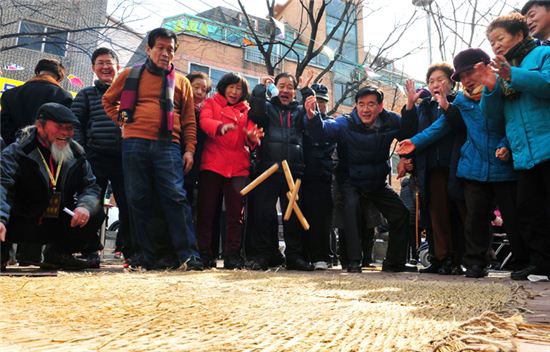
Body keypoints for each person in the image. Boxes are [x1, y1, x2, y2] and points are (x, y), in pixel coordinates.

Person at [398, 48, 525, 278]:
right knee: (474, 218)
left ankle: (522, 260)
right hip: (472, 167)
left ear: (485, 68)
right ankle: (475, 263)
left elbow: (511, 122)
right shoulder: (460, 103)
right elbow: (439, 127)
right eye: (462, 76)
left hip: (501, 165)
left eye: (470, 73)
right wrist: (414, 143)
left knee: (512, 216)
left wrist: (506, 144)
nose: (466, 80)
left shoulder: (503, 92)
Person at [102, 27, 202, 271]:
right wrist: (122, 121)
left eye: (170, 49)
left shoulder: (182, 82)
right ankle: (146, 256)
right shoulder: (129, 74)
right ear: (148, 49)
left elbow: (189, 120)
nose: (166, 53)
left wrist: (189, 149)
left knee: (176, 198)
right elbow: (108, 100)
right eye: (160, 47)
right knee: (138, 199)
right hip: (134, 143)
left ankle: (188, 255)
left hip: (169, 146)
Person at [305, 86, 417, 273]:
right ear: (356, 106)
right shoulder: (345, 123)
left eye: (371, 104)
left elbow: (409, 132)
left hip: (377, 182)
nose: (365, 109)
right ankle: (354, 262)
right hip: (350, 181)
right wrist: (313, 117)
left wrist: (411, 107)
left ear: (380, 107)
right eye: (361, 104)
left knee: (401, 214)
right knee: (351, 209)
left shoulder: (390, 120)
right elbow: (324, 132)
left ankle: (394, 263)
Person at [474, 13, 550, 280]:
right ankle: (542, 265)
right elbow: (493, 116)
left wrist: (512, 73)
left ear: (519, 35)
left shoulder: (543, 55)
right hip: (523, 153)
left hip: (547, 144)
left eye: (500, 38)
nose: (495, 45)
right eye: (491, 42)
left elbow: (547, 85)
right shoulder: (501, 71)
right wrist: (492, 86)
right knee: (529, 211)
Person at [0, 103, 103, 272]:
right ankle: (2, 253)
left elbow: (91, 186)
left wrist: (84, 207)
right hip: (20, 220)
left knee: (95, 211)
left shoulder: (77, 154)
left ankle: (59, 254)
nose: (65, 133)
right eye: (60, 127)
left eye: (70, 128)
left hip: (58, 221)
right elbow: (2, 184)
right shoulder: (16, 152)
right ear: (40, 126)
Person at [1, 58, 73, 267]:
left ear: (36, 71)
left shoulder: (10, 95)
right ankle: (30, 256)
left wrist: (20, 145)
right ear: (59, 76)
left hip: (14, 157)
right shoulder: (63, 96)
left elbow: (4, 128)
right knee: (40, 204)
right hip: (46, 160)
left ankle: (3, 253)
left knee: (10, 201)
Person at [400, 64, 466, 275]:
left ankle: (458, 259)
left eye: (440, 79)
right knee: (434, 214)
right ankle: (440, 257)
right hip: (430, 168)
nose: (436, 84)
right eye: (431, 81)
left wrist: (445, 104)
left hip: (456, 165)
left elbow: (458, 126)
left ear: (452, 81)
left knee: (457, 213)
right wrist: (410, 105)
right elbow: (408, 134)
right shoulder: (424, 107)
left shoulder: (459, 102)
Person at [245, 72, 313, 271]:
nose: (285, 90)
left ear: (294, 91)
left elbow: (313, 124)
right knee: (264, 213)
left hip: (294, 170)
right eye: (281, 86)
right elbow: (254, 114)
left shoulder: (300, 111)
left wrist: (307, 91)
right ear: (276, 89)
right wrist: (260, 89)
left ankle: (294, 256)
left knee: (292, 215)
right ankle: (265, 255)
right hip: (268, 168)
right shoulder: (267, 107)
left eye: (290, 87)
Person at [71, 47, 132, 268]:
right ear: (93, 68)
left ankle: (130, 252)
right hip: (95, 156)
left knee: (129, 204)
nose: (106, 67)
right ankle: (90, 250)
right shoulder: (86, 94)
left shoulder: (130, 94)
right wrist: (81, 153)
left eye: (109, 62)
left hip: (126, 157)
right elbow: (76, 125)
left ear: (118, 67)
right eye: (100, 63)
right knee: (92, 203)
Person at [197, 72, 263, 270]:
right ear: (223, 87)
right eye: (231, 87)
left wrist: (253, 136)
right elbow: (204, 121)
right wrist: (220, 126)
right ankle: (205, 253)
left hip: (238, 167)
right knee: (207, 211)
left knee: (236, 214)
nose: (235, 92)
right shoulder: (211, 103)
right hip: (212, 163)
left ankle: (232, 255)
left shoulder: (247, 110)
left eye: (239, 89)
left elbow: (252, 134)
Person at [301, 83, 336, 270]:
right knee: (301, 216)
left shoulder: (331, 123)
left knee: (322, 219)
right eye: (315, 100)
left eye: (322, 101)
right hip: (301, 174)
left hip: (323, 176)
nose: (319, 104)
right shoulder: (300, 120)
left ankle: (323, 256)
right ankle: (303, 255)